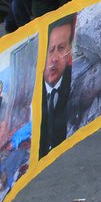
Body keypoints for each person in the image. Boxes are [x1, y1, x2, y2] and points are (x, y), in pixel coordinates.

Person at [40, 14, 75, 157]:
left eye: (61, 48)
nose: (54, 59)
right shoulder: (31, 91)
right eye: (50, 50)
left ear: (69, 52)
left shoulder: (75, 81)